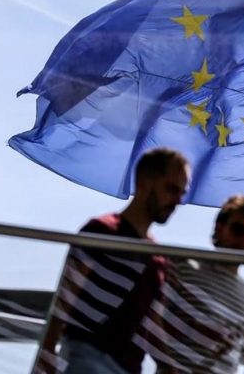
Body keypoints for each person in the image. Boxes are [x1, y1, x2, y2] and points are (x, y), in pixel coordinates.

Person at [36, 147, 190, 374]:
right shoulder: (103, 230)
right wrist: (47, 353)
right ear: (144, 181)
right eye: (171, 189)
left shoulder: (158, 258)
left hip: (130, 367)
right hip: (88, 356)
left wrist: (168, 365)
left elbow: (151, 321)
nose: (177, 200)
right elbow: (66, 295)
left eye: (181, 193)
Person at [154, 194, 244, 374]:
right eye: (238, 230)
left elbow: (237, 356)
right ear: (220, 228)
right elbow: (153, 320)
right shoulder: (184, 267)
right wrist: (168, 366)